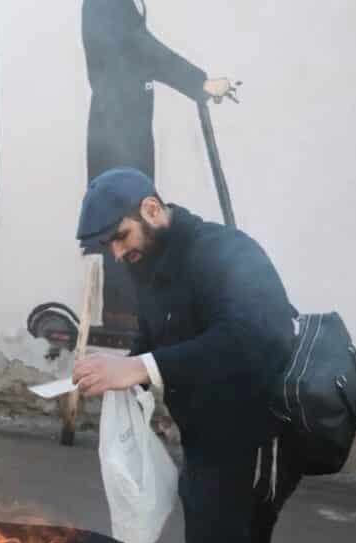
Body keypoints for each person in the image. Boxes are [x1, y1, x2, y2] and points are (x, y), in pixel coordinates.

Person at [72, 167, 301, 543]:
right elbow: (158, 339)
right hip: (206, 445)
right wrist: (118, 369)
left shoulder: (226, 252)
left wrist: (142, 367)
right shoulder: (149, 263)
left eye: (120, 237)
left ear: (151, 210)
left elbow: (252, 341)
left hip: (257, 441)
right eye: (108, 245)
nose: (117, 253)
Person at [82, 0, 237, 334]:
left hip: (131, 128)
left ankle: (140, 316)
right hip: (116, 132)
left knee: (141, 222)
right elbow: (139, 46)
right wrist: (198, 82)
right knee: (127, 223)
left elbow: (139, 45)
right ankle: (127, 321)